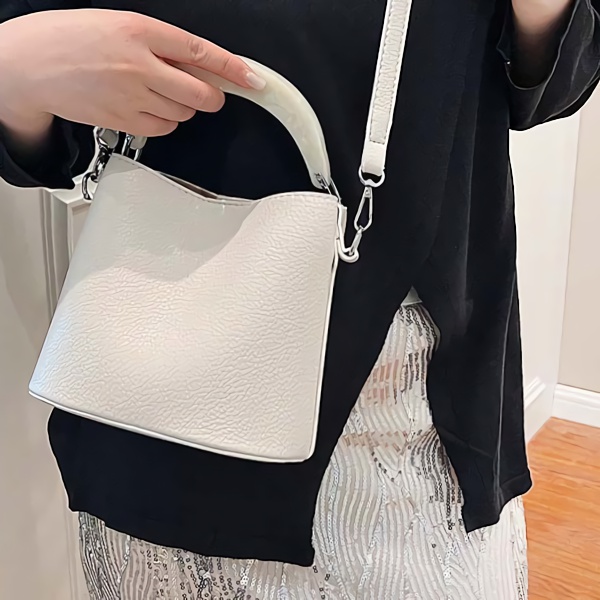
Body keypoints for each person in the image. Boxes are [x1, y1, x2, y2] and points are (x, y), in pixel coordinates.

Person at [0, 1, 598, 598]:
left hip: (407, 405)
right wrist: (16, 62)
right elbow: (43, 132)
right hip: (153, 395)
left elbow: (550, 83)